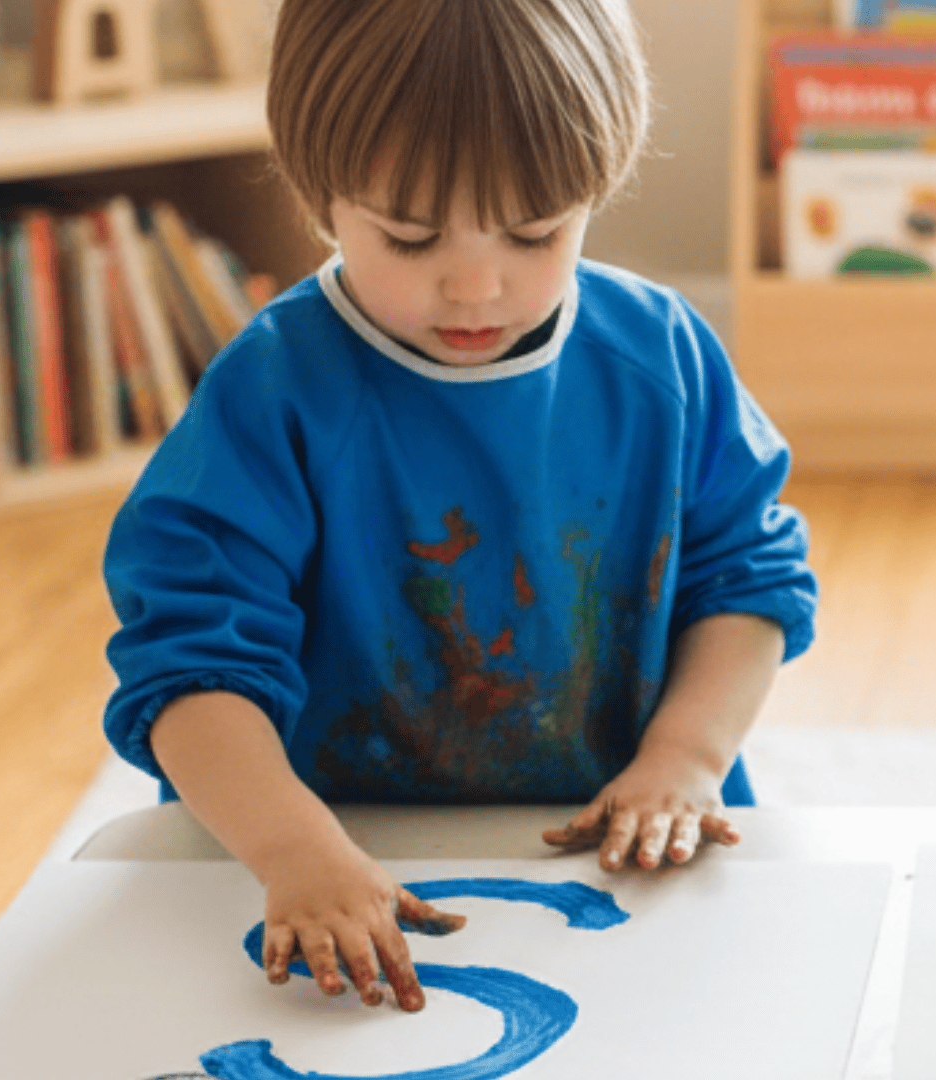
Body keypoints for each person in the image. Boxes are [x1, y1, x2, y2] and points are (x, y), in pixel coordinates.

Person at [102, 0, 815, 1013]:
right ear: (321, 197)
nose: (476, 284)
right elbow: (187, 668)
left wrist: (686, 757)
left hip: (620, 857)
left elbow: (749, 585)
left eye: (536, 232)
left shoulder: (660, 356)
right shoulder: (274, 392)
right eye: (408, 236)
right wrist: (294, 850)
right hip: (327, 856)